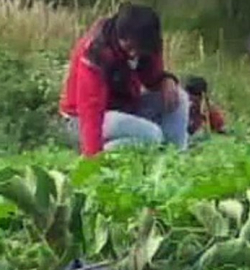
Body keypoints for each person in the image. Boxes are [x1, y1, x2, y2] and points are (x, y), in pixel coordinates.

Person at [59, 3, 190, 157]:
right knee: (152, 135)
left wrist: (167, 80)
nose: (134, 54)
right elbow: (90, 110)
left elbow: (152, 80)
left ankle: (174, 157)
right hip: (82, 119)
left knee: (180, 98)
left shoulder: (148, 43)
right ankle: (103, 155)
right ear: (120, 36)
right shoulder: (95, 51)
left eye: (139, 50)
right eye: (129, 48)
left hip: (125, 108)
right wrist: (92, 156)